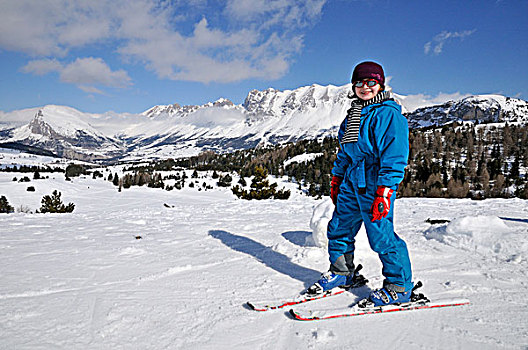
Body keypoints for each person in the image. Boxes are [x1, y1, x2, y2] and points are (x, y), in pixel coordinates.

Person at [307, 61, 413, 306]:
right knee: (339, 228)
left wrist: (385, 190)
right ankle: (342, 272)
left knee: (381, 237)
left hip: (375, 183)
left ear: (380, 84)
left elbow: (395, 156)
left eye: (370, 82)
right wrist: (336, 178)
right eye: (359, 83)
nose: (364, 87)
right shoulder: (353, 115)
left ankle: (400, 286)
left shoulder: (388, 114)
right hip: (351, 182)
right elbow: (345, 153)